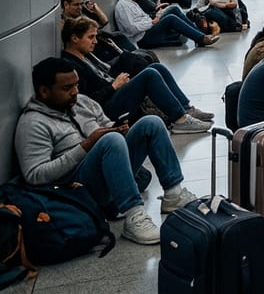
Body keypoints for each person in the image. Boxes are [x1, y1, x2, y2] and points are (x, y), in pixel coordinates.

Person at [16, 57, 201, 246]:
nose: (75, 92)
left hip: (108, 170)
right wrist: (87, 145)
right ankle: (133, 214)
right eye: (66, 88)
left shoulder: (82, 102)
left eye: (76, 85)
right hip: (76, 189)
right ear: (44, 92)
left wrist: (117, 128)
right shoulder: (33, 123)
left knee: (151, 123)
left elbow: (104, 125)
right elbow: (34, 175)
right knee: (110, 140)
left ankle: (173, 193)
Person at [60, 16, 212, 134]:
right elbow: (85, 102)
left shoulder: (85, 56)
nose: (95, 41)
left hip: (112, 93)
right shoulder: (72, 67)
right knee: (150, 74)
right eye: (90, 37)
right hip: (105, 108)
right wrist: (113, 86)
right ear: (74, 38)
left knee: (156, 67)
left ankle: (185, 108)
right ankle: (180, 120)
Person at [113, 0, 217, 49]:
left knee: (174, 8)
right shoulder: (123, 6)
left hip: (147, 28)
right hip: (142, 38)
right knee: (171, 18)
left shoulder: (130, 2)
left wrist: (154, 17)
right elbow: (131, 28)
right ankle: (201, 38)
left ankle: (199, 34)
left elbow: (141, 18)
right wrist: (152, 22)